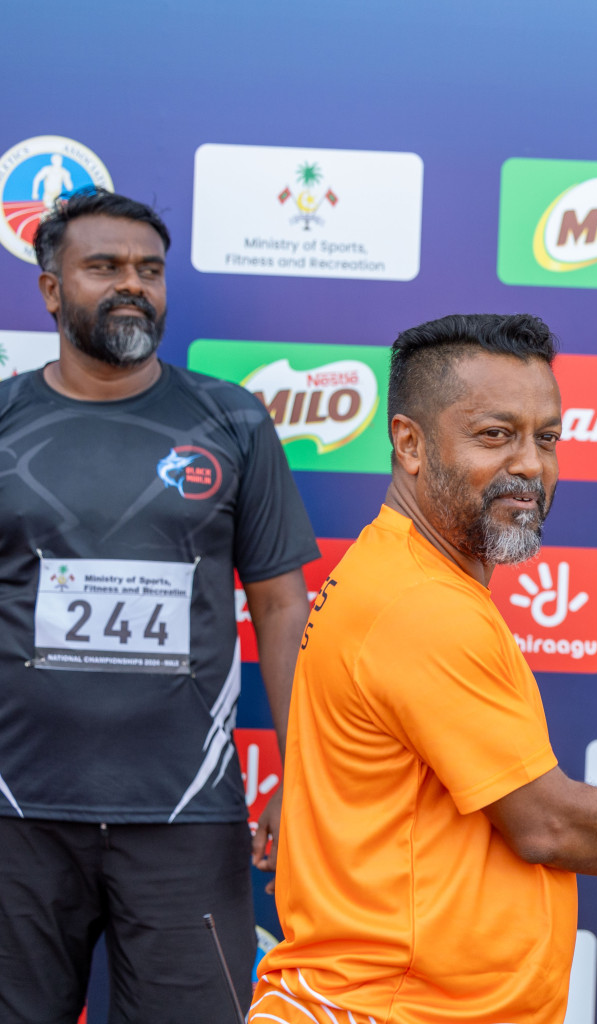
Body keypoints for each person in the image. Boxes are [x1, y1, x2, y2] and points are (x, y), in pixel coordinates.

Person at [253, 314, 597, 1023]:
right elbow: (543, 827)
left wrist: (596, 804)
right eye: (495, 435)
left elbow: (463, 815)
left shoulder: (406, 574)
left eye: (547, 438)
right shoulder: (423, 605)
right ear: (410, 444)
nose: (531, 466)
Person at [0, 187, 318, 1018]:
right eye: (103, 267)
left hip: (187, 817)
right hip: (14, 817)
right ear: (49, 288)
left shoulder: (232, 420)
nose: (131, 284)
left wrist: (302, 771)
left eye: (149, 269)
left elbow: (282, 607)